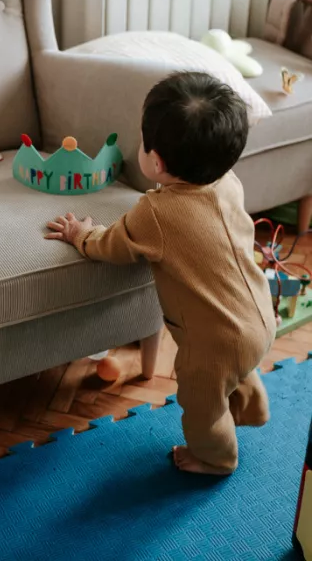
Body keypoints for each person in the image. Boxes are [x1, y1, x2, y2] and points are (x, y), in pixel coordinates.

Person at [45, 72, 276, 476]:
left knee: (201, 398)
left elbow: (113, 245)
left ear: (157, 161)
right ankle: (253, 408)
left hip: (214, 339)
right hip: (259, 311)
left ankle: (215, 457)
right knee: (240, 365)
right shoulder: (227, 182)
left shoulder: (156, 213)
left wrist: (82, 235)